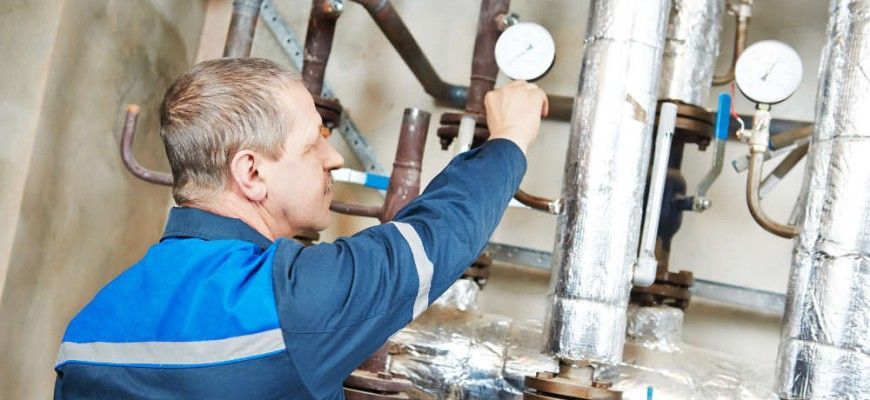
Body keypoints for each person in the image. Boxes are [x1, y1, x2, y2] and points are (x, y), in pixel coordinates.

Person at [53, 57, 547, 399]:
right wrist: (510, 139)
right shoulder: (285, 301)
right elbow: (432, 237)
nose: (333, 157)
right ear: (251, 173)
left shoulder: (86, 331)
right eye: (314, 143)